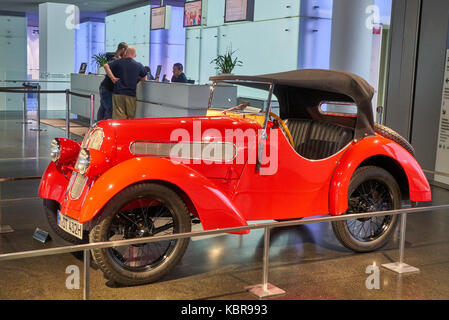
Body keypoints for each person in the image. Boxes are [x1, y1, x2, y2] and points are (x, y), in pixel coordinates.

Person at [103, 46, 147, 119]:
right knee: (130, 117)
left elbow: (105, 66)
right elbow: (144, 78)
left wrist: (113, 78)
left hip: (118, 93)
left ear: (126, 53)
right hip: (131, 94)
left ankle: (120, 130)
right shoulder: (138, 65)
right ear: (135, 55)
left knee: (118, 117)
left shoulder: (118, 62)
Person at [97, 42, 128, 121]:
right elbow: (106, 66)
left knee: (103, 108)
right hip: (108, 88)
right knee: (110, 110)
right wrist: (113, 78)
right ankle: (105, 128)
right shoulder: (115, 60)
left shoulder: (114, 57)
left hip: (105, 87)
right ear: (123, 49)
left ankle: (98, 127)